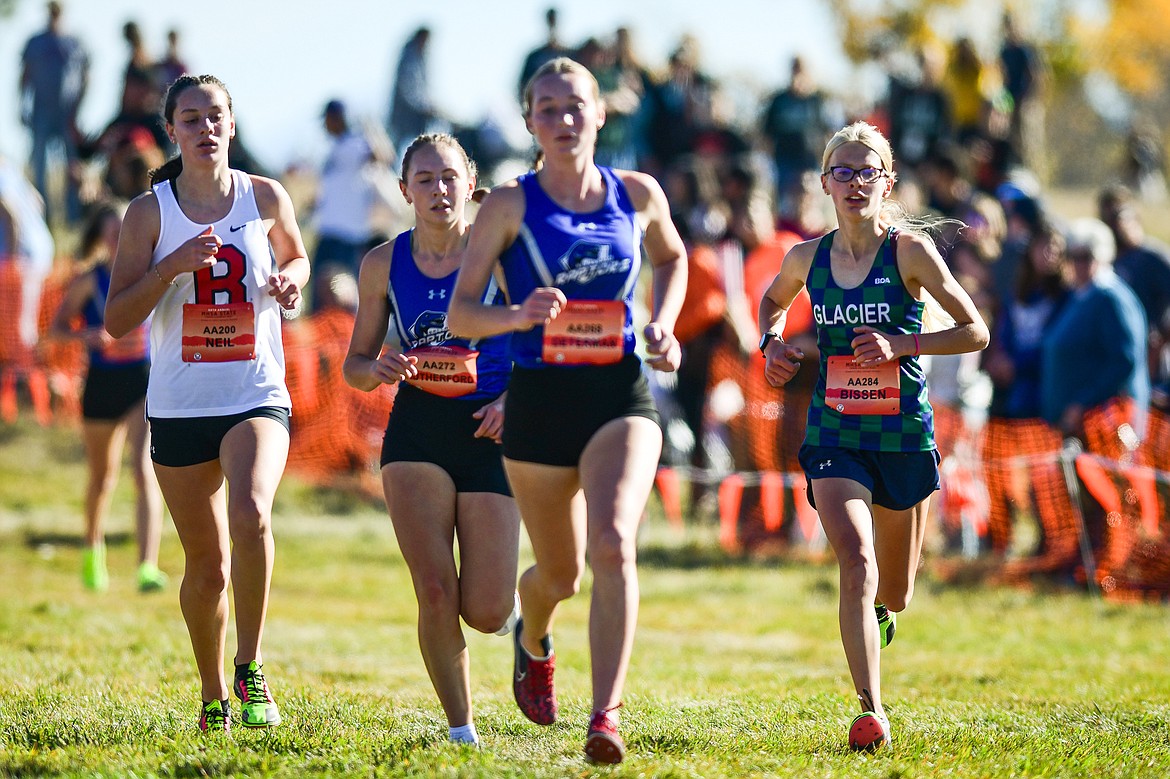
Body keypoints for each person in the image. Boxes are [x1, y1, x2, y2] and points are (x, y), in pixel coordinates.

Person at [447, 58, 687, 764]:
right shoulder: (508, 206)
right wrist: (518, 312)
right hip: (540, 400)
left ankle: (605, 714)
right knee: (560, 573)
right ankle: (532, 635)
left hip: (619, 391)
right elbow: (464, 311)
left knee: (614, 542)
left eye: (575, 105)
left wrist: (663, 322)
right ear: (529, 122)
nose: (563, 119)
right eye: (547, 108)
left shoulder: (637, 194)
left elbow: (672, 259)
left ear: (600, 113)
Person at [758, 121, 989, 750]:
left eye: (868, 172)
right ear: (825, 182)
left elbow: (975, 332)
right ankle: (871, 710)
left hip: (903, 436)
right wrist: (770, 344)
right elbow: (771, 302)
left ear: (887, 182)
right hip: (834, 433)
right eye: (843, 172)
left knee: (896, 589)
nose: (855, 183)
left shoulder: (909, 252)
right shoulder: (807, 257)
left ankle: (882, 614)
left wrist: (902, 343)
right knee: (855, 561)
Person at [104, 74, 309, 733]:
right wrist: (171, 266)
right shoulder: (148, 213)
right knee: (207, 563)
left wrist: (289, 281)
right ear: (173, 131)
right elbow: (115, 318)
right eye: (190, 118)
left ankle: (251, 668)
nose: (204, 128)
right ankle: (213, 694)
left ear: (231, 122)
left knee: (250, 514)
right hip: (180, 401)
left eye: (214, 115)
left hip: (254, 391)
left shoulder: (265, 196)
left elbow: (300, 259)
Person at [342, 133, 520, 747]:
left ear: (471, 184)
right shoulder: (381, 265)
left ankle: (515, 621)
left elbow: (547, 342)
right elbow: (355, 365)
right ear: (404, 190)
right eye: (425, 179)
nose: (439, 190)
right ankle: (460, 727)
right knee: (435, 588)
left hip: (491, 428)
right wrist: (380, 367)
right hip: (418, 427)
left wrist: (513, 399)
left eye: (449, 177)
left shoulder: (503, 254)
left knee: (488, 609)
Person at [46, 202, 167, 593]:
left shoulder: (152, 273)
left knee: (144, 467)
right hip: (101, 382)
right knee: (102, 477)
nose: (118, 240)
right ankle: (92, 550)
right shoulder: (88, 281)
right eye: (111, 234)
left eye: (123, 232)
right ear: (100, 238)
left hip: (141, 379)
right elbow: (57, 329)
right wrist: (88, 336)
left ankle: (147, 566)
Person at [310, 99, 386, 311]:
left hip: (348, 236)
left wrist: (369, 128)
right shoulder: (335, 148)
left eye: (327, 119)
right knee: (321, 300)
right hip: (328, 232)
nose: (325, 125)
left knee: (343, 299)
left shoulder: (357, 143)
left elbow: (382, 157)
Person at [19, 0, 89, 227]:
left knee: (72, 167)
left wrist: (78, 109)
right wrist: (22, 105)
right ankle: (42, 216)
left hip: (67, 115)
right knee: (39, 166)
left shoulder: (74, 43)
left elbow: (86, 76)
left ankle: (72, 218)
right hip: (41, 112)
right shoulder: (35, 42)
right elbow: (25, 75)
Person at [388, 27, 438, 154]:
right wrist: (423, 106)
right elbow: (408, 87)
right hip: (404, 114)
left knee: (422, 146)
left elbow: (425, 86)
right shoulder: (408, 57)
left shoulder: (422, 57)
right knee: (396, 148)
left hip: (418, 115)